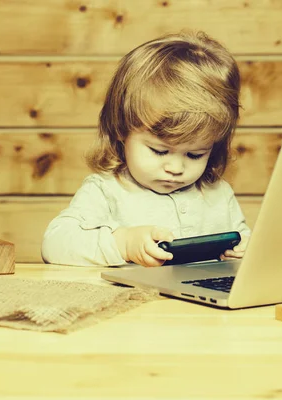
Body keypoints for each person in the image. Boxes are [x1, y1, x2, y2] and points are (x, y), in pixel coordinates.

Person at [41, 31, 251, 267]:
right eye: (160, 151)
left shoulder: (218, 194)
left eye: (195, 154)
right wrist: (122, 244)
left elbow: (247, 244)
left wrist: (246, 251)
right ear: (122, 129)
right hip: (132, 301)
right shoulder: (106, 191)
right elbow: (54, 244)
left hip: (199, 303)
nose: (176, 168)